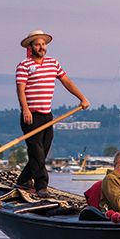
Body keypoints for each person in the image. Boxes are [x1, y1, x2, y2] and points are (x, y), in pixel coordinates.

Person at [15, 30, 90, 198]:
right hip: (31, 116)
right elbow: (20, 89)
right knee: (37, 152)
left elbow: (66, 82)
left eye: (43, 44)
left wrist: (82, 98)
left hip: (47, 115)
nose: (41, 47)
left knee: (43, 151)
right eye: (37, 44)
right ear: (30, 47)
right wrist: (25, 109)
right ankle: (42, 186)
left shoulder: (53, 63)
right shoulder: (24, 65)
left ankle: (22, 180)